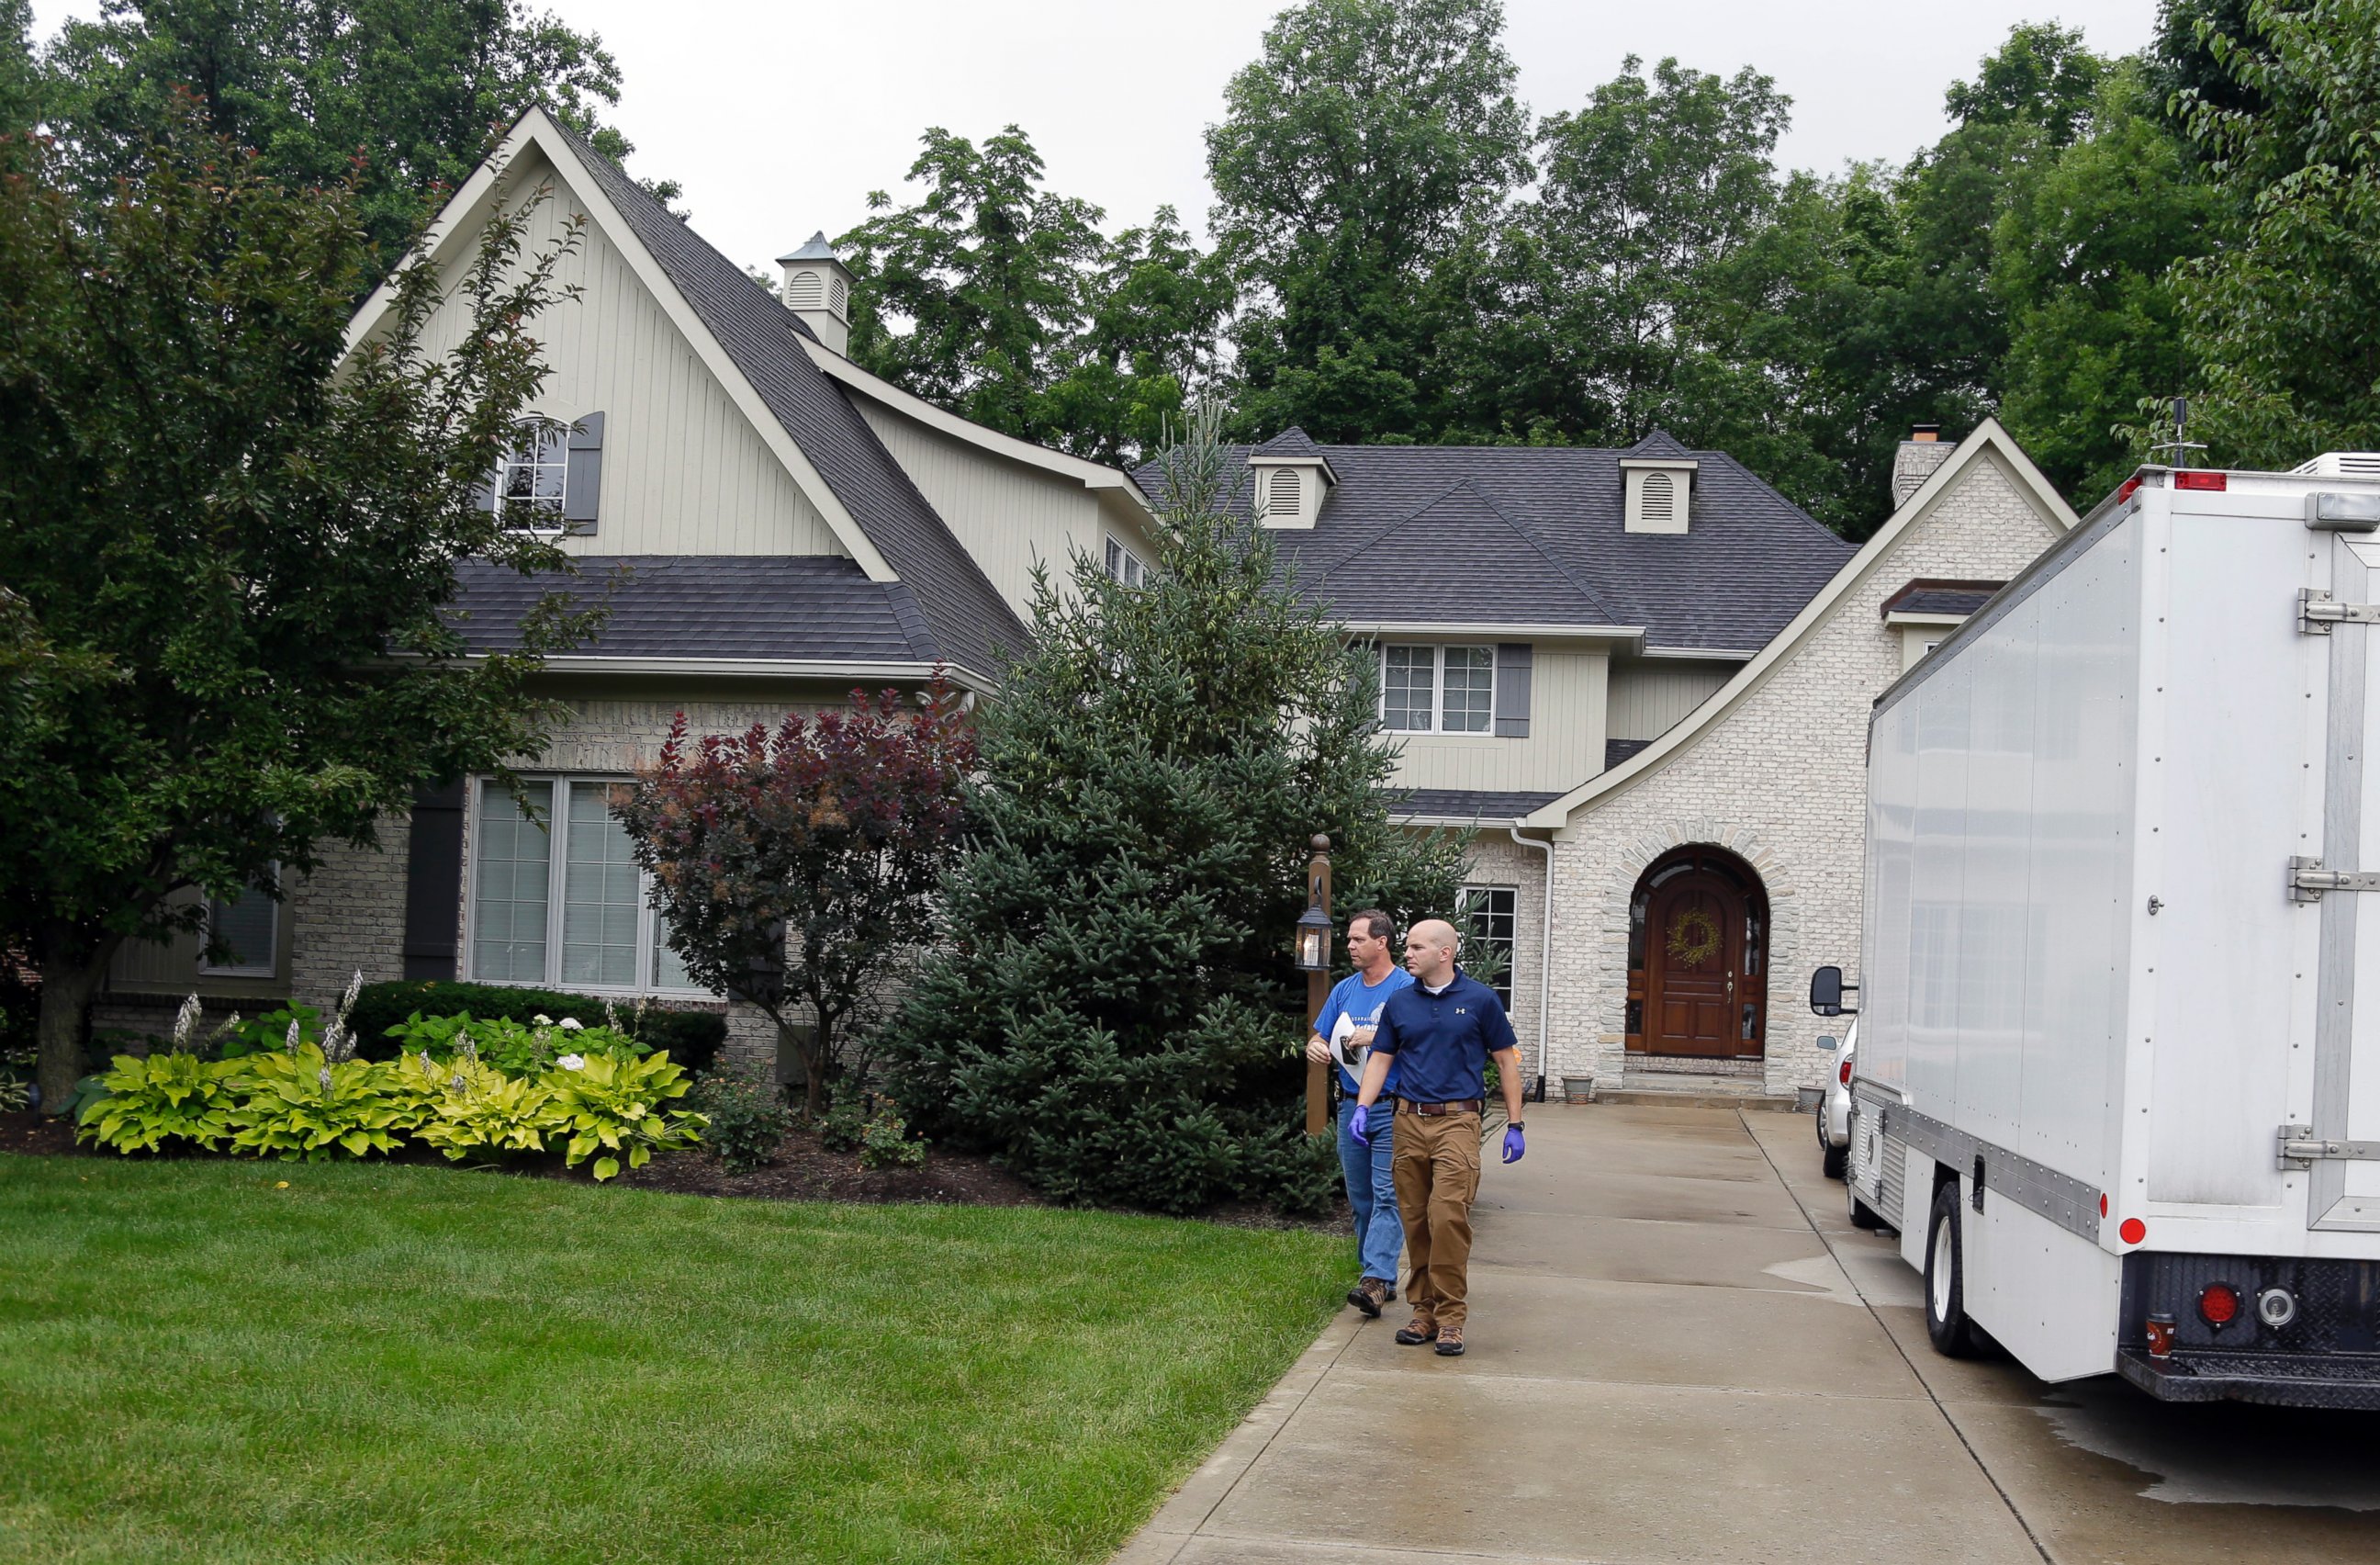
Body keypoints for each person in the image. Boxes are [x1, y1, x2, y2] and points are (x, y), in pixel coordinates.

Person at [1349, 917, 1525, 1357]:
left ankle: (1450, 1317)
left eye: (1416, 948)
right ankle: (1422, 1312)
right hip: (1407, 1121)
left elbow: (1506, 1062)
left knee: (1447, 1217)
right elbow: (1381, 1060)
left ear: (1444, 953)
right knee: (1414, 1219)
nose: (1407, 954)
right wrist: (1364, 1108)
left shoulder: (1481, 1000)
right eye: (1407, 947)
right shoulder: (1401, 1003)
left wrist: (1517, 1124)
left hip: (1457, 1123)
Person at [1306, 909, 1414, 1318]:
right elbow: (1320, 1035)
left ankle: (1375, 1278)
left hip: (1392, 1108)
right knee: (1362, 1198)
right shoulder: (1345, 990)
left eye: (1357, 939)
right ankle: (1379, 1278)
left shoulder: (1406, 989)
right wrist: (1315, 1047)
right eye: (1349, 940)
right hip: (1351, 1106)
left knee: (1389, 1195)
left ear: (1381, 942)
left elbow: (1424, 1042)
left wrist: (1382, 1036)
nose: (1349, 946)